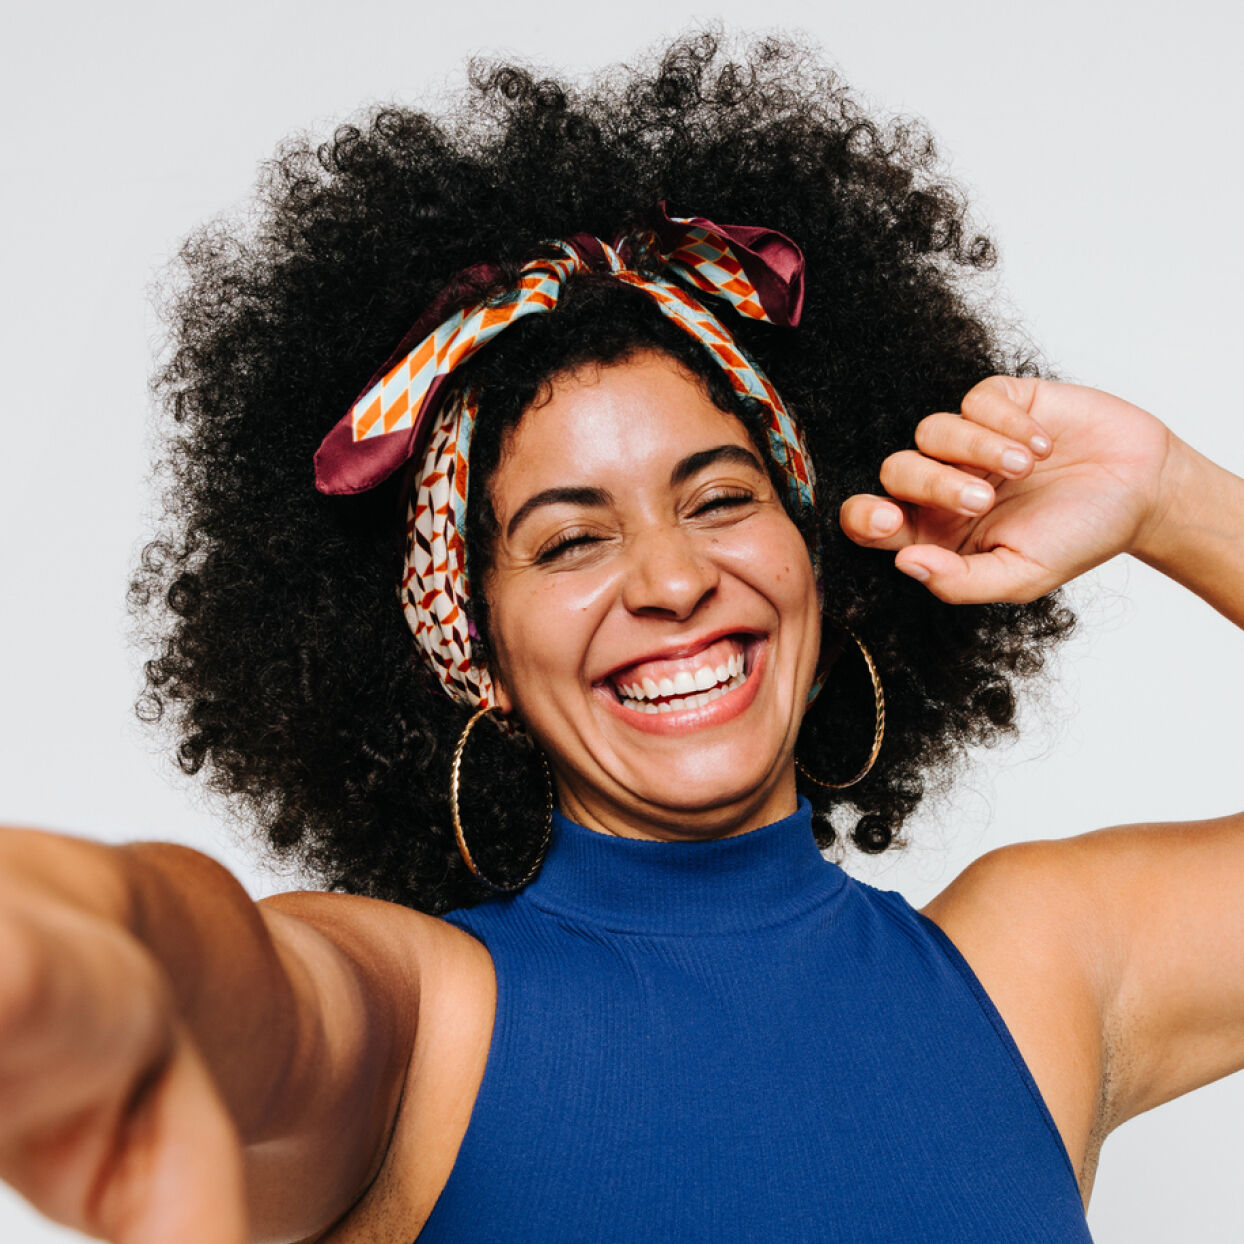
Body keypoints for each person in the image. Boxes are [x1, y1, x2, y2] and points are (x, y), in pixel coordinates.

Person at [1, 32, 1241, 1244]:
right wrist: (81, 935)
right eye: (567, 540)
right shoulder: (420, 1023)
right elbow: (231, 992)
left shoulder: (1037, 974)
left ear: (814, 555)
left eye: (718, 498)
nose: (670, 576)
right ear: (468, 647)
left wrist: (1175, 497)